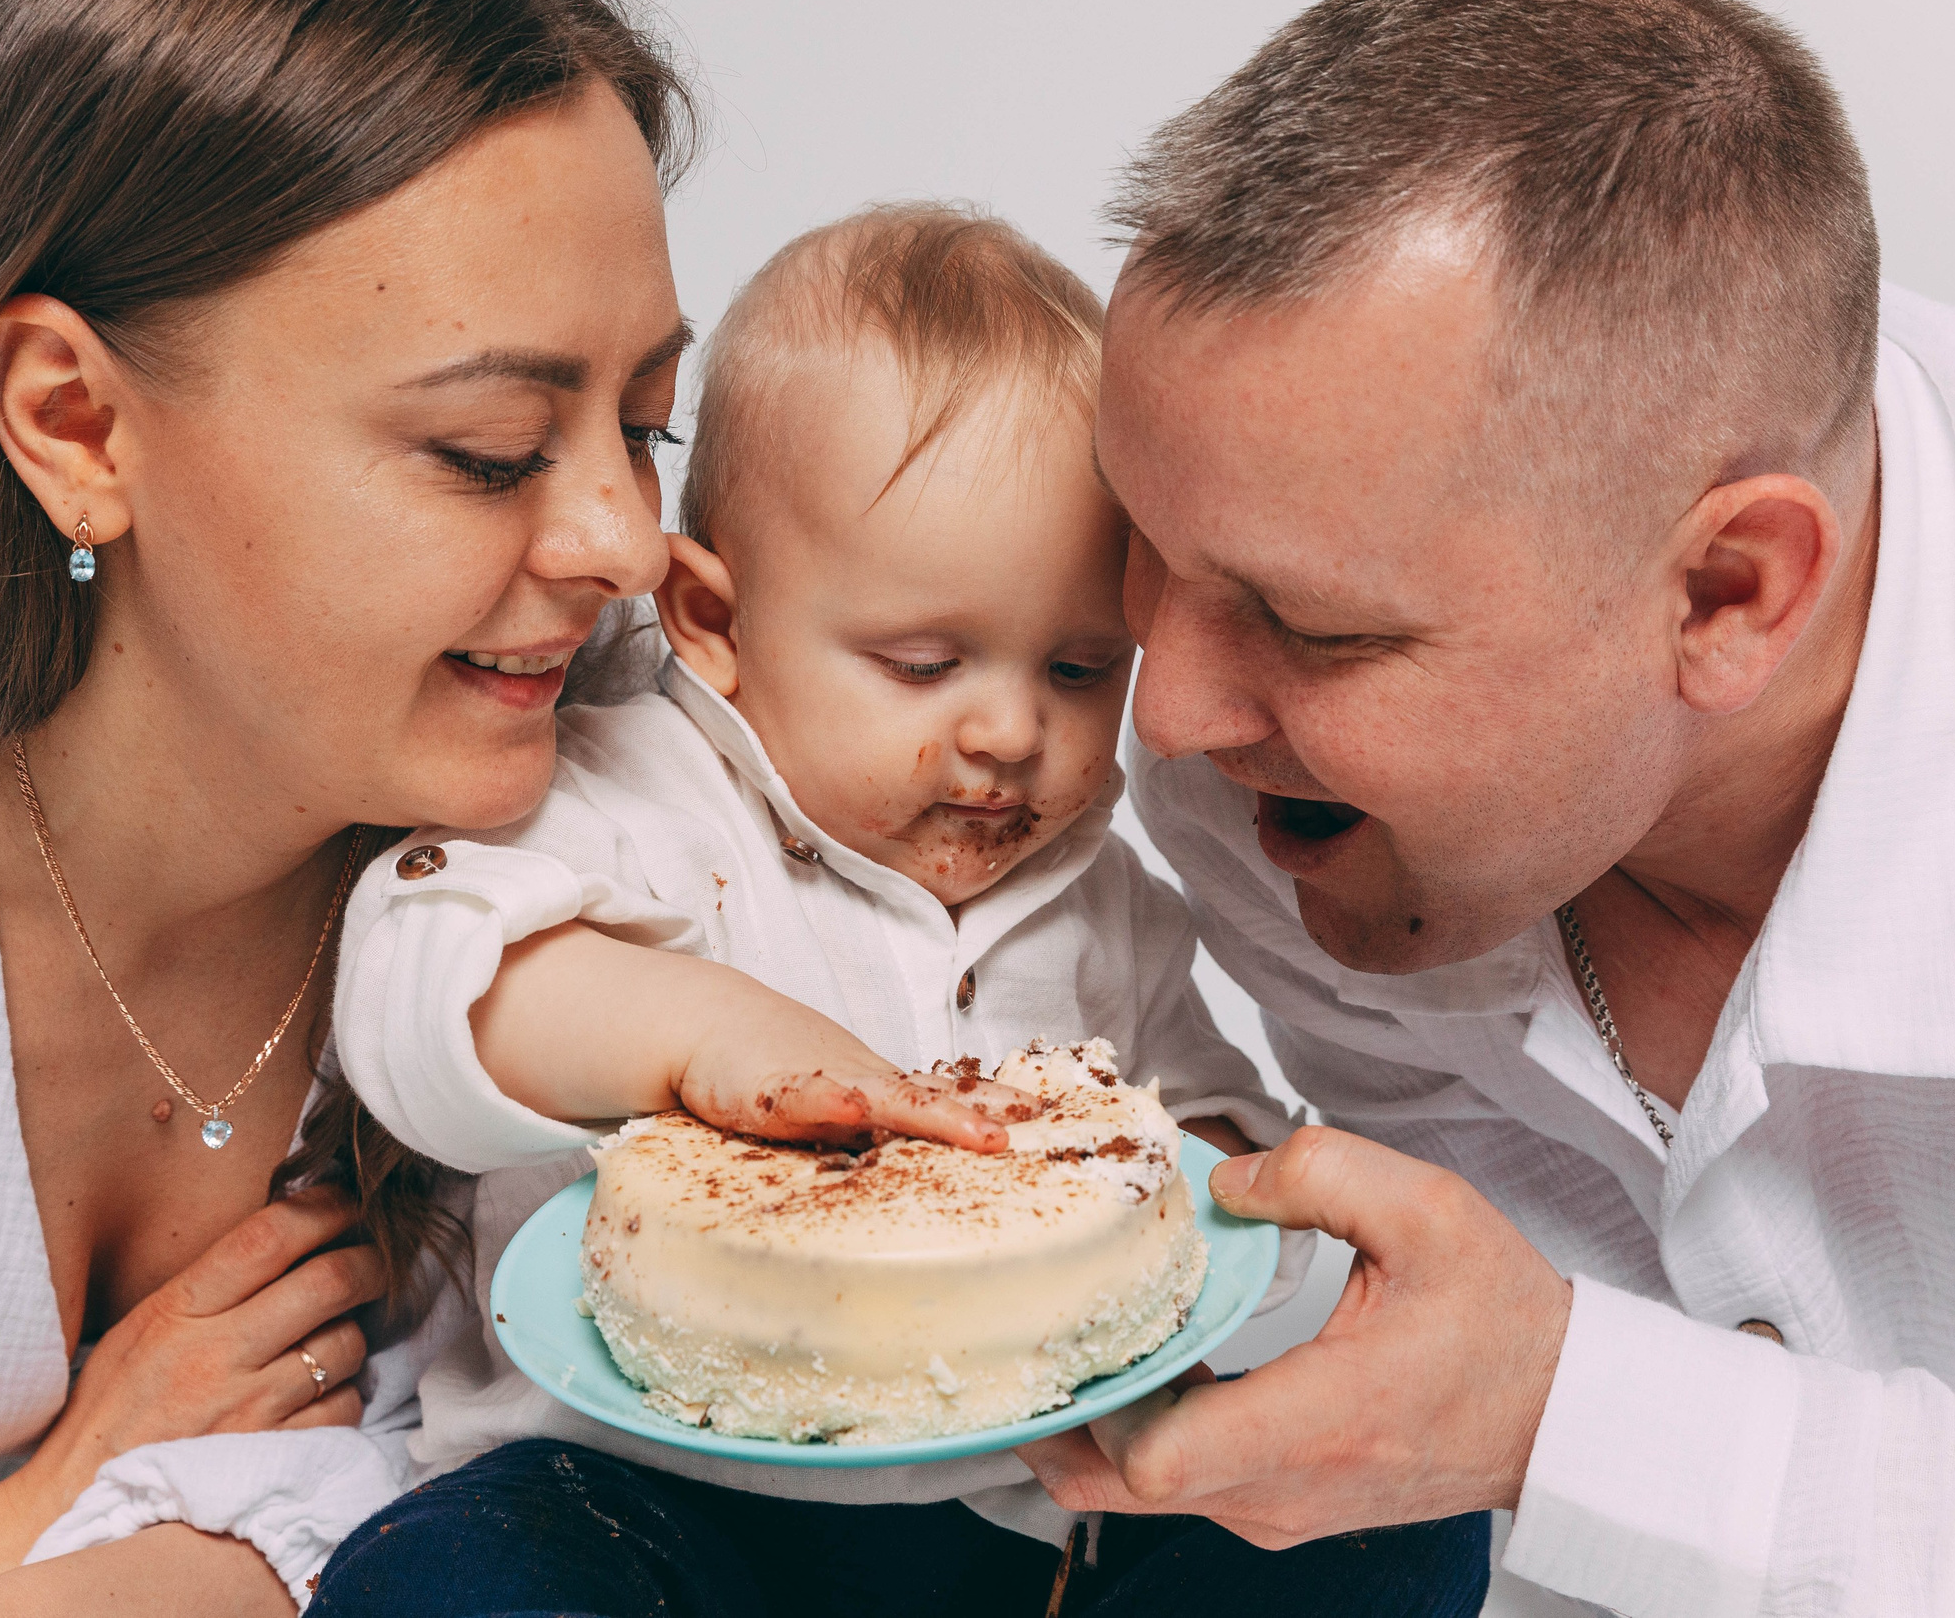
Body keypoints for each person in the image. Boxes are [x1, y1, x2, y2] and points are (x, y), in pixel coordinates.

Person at [1017, 0, 1955, 1616]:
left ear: (1728, 592)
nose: (1167, 713)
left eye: (1311, 626)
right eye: (1148, 550)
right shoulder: (1285, 788)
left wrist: (1569, 1425)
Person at [0, 0, 712, 1611]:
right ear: (74, 424)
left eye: (646, 425)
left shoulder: (622, 801)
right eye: (488, 453)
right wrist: (47, 1501)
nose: (623, 540)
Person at [307, 204, 1489, 1618]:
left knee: (1411, 1524)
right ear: (716, 624)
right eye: (925, 664)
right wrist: (692, 1032)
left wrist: (1231, 1203)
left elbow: (1206, 1139)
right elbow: (419, 982)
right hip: (636, 1497)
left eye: (1075, 669)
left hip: (1017, 1520)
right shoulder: (633, 800)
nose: (1006, 732)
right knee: (445, 1582)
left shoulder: (1100, 903)